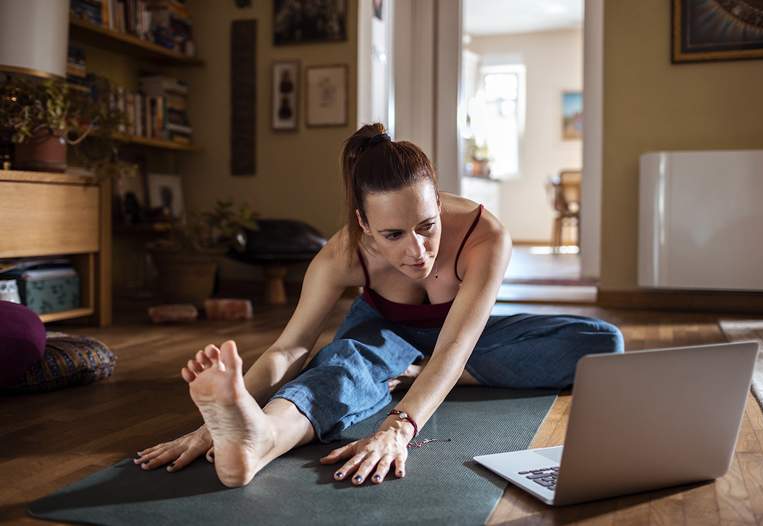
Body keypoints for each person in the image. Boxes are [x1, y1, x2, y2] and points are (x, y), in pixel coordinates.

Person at [134, 123, 624, 488]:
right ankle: (257, 439)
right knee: (343, 364)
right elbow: (290, 349)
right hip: (383, 332)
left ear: (438, 199)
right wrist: (212, 423)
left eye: (428, 225)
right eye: (393, 234)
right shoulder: (340, 256)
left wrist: (399, 426)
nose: (418, 251)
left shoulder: (485, 234)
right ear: (364, 224)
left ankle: (410, 372)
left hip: (461, 336)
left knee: (600, 341)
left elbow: (456, 345)